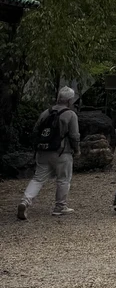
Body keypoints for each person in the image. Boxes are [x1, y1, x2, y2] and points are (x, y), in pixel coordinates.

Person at [17, 86, 81, 220]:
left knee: (38, 178)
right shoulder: (70, 114)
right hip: (62, 152)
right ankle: (60, 207)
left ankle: (25, 201)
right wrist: (77, 150)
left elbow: (35, 131)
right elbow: (74, 135)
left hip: (43, 150)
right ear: (69, 100)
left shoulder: (46, 112)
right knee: (63, 179)